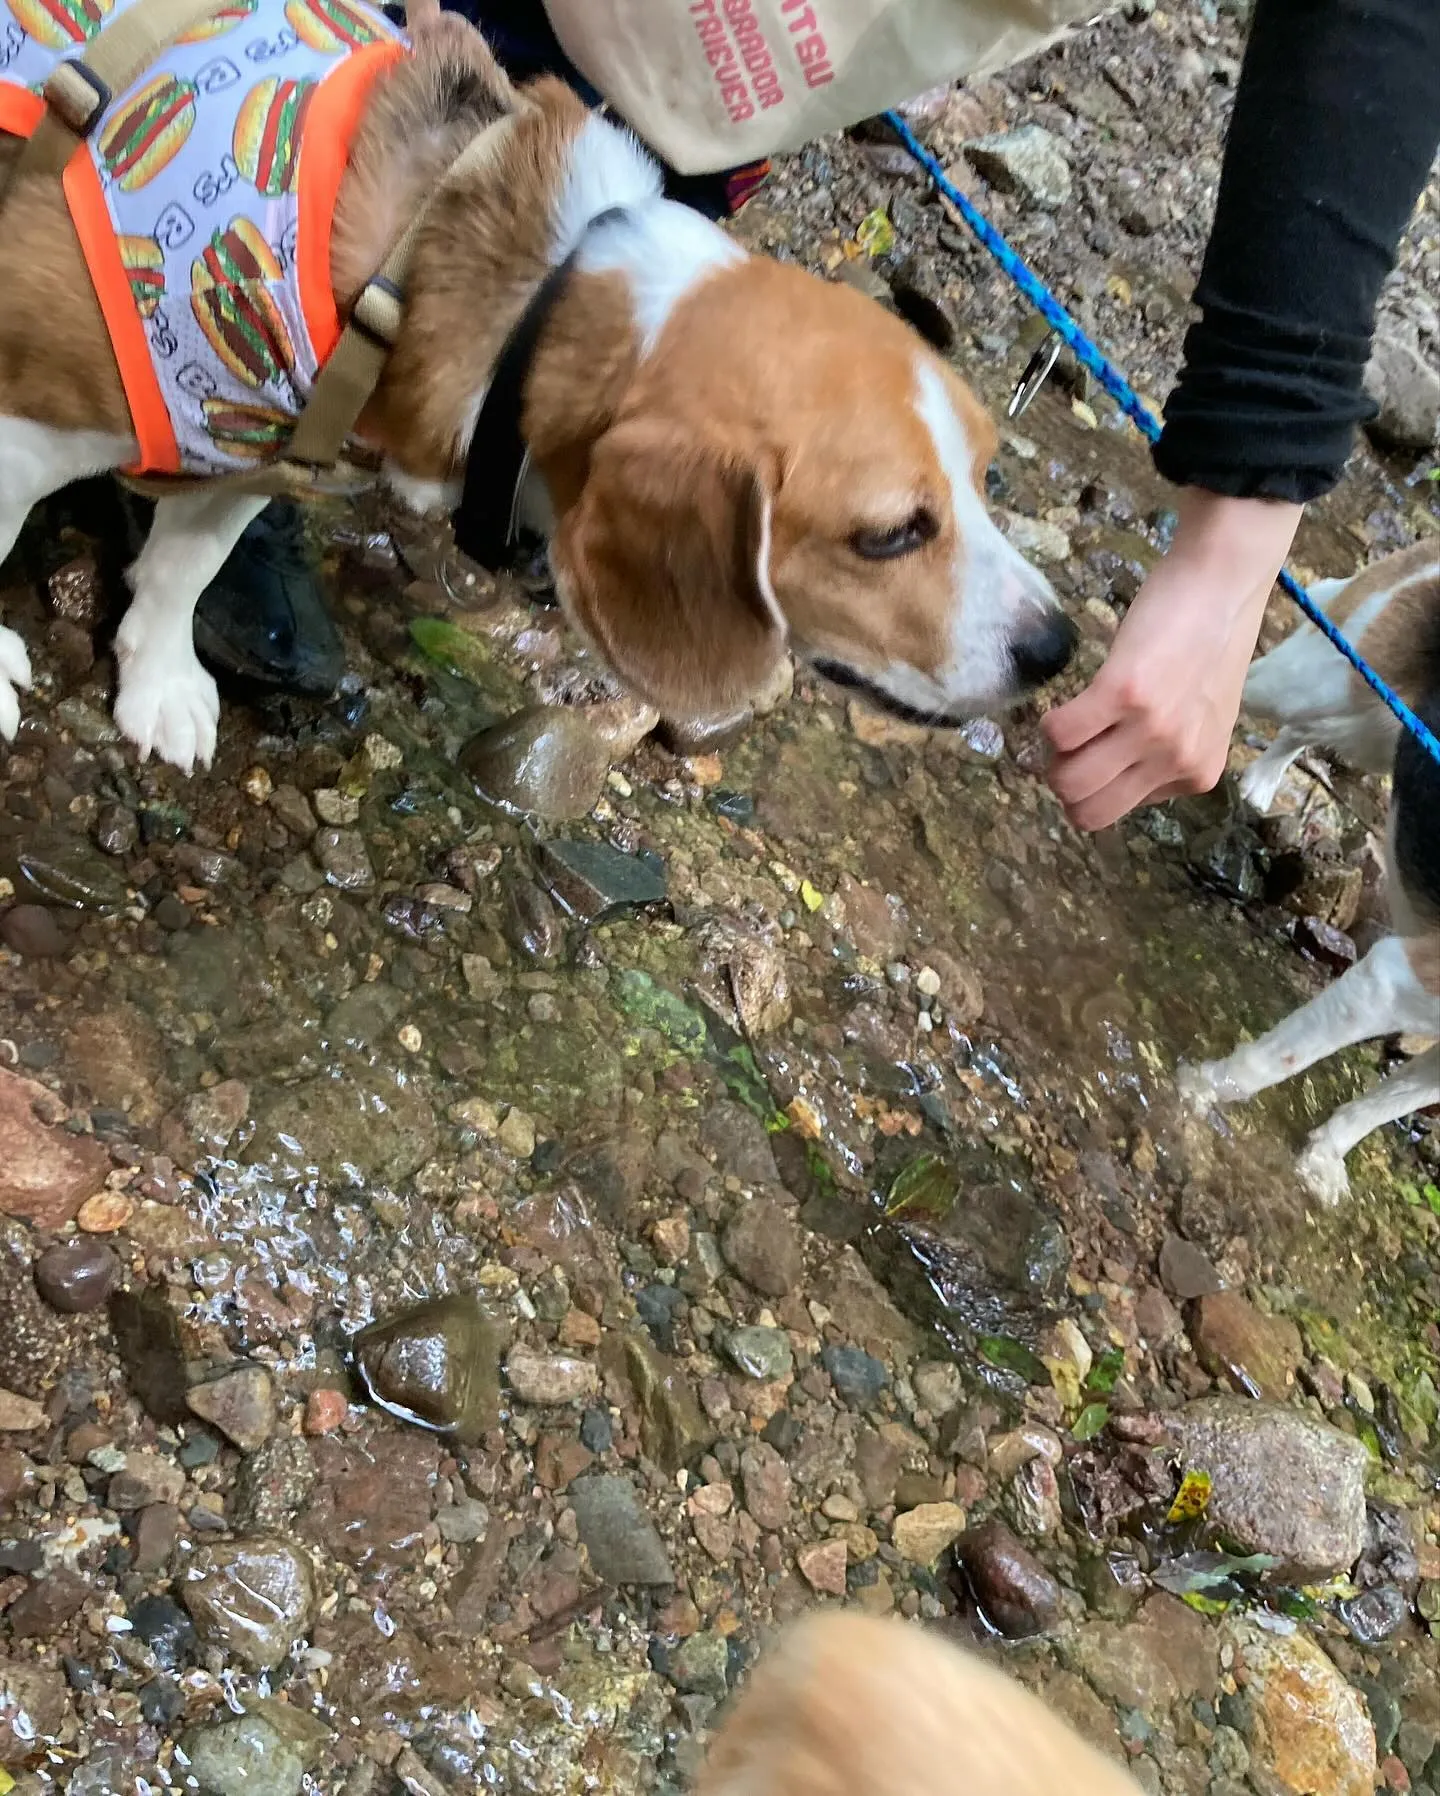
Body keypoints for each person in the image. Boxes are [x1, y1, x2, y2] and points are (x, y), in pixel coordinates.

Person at [181, 0, 1440, 827]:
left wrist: (1237, 541)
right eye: (904, 530)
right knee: (309, 188)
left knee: (618, 262)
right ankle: (221, 374)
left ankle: (391, 448)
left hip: (774, 55)